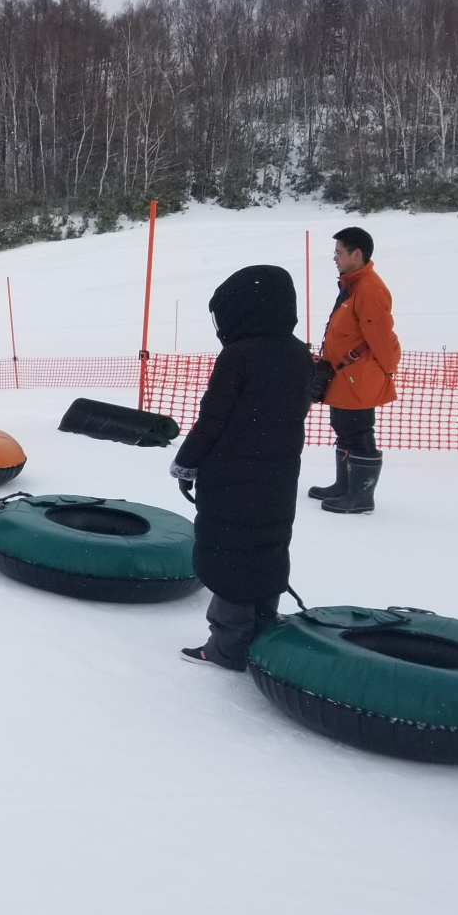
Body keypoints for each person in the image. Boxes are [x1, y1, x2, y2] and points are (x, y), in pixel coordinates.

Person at [168, 266, 312, 669]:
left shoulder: (239, 356)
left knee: (230, 557)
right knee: (265, 549)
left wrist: (186, 460)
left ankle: (227, 647)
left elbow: (213, 419)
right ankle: (261, 635)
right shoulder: (298, 352)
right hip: (279, 475)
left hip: (231, 477)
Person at [308, 226, 398, 515]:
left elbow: (382, 338)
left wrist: (384, 370)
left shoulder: (370, 288)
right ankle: (345, 486)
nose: (334, 258)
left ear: (356, 254)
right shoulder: (354, 285)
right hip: (344, 376)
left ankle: (360, 497)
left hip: (359, 377)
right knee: (344, 428)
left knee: (358, 432)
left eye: (338, 252)